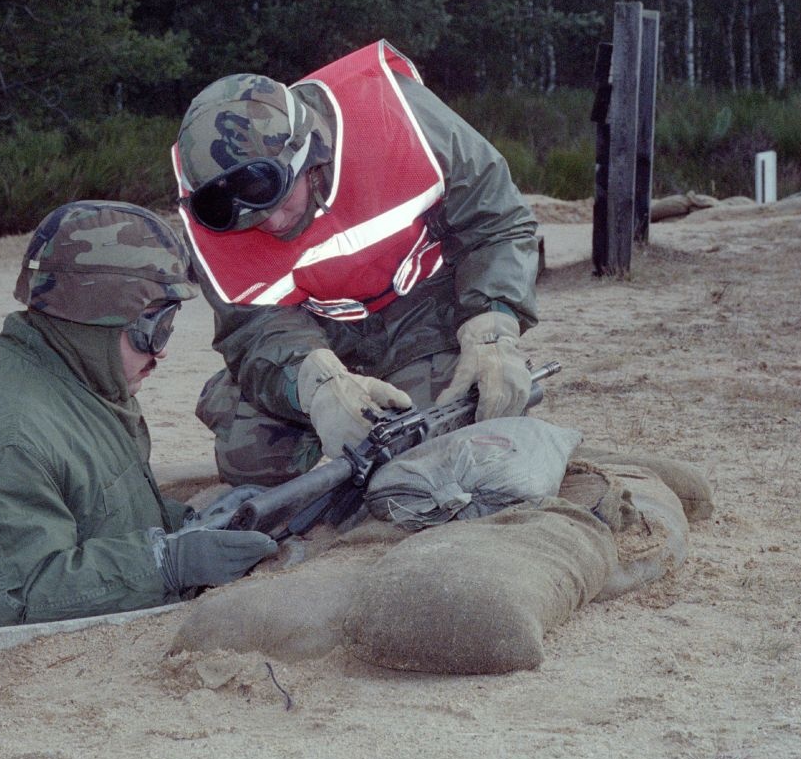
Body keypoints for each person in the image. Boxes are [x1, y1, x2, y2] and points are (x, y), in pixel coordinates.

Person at [0, 200, 277, 634]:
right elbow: (15, 603)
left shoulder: (74, 377)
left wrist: (192, 525)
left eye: (169, 324)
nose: (162, 350)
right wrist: (165, 563)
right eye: (153, 328)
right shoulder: (9, 438)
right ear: (96, 317)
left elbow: (93, 509)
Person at [171, 40, 541, 489]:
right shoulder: (206, 212)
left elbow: (497, 223)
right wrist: (313, 381)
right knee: (250, 459)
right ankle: (263, 389)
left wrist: (493, 323)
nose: (269, 221)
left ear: (308, 156)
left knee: (434, 446)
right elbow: (253, 328)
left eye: (276, 195)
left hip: (428, 314)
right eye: (247, 216)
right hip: (323, 335)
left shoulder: (396, 115)